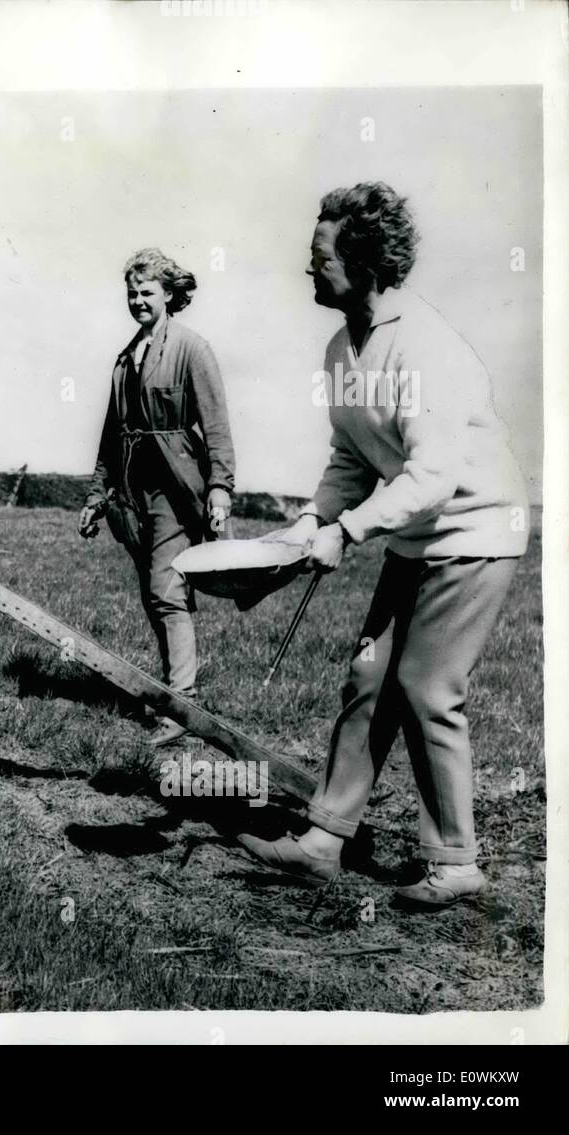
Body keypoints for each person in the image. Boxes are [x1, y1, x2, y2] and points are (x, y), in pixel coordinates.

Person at [238, 182, 529, 910]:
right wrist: (312, 522)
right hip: (413, 536)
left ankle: (454, 860)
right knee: (369, 676)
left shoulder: (424, 346)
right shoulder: (342, 346)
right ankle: (324, 839)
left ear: (363, 265)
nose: (309, 268)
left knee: (427, 688)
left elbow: (431, 476)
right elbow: (350, 457)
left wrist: (349, 531)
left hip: (475, 530)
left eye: (320, 257)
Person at [80, 248, 236, 746]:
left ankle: (180, 706)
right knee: (155, 595)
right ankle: (176, 692)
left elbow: (216, 426)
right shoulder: (125, 359)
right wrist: (96, 494)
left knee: (167, 591)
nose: (138, 300)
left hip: (176, 485)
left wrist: (220, 489)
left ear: (169, 295)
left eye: (147, 292)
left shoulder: (193, 349)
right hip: (131, 490)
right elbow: (111, 433)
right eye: (132, 292)